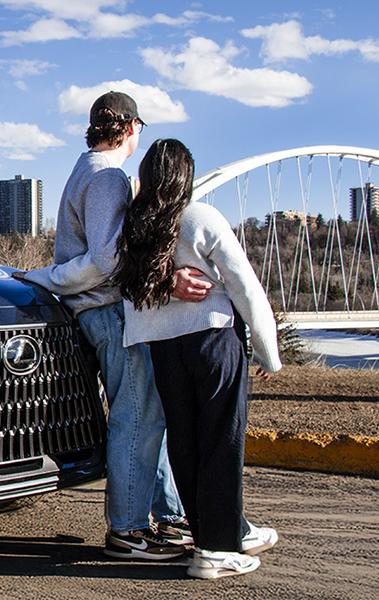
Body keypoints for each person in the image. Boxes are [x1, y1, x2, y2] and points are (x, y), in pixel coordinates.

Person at [20, 91, 200, 560]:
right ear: (133, 127)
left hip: (98, 311)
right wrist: (48, 278)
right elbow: (105, 260)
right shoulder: (108, 177)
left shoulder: (86, 170)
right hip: (109, 312)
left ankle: (168, 517)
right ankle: (128, 530)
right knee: (137, 418)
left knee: (146, 416)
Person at [113, 138, 281, 579]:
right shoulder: (200, 217)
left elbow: (127, 287)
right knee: (223, 442)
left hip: (165, 350)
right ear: (185, 177)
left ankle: (211, 536)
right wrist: (267, 350)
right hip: (213, 342)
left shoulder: (134, 227)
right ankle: (219, 551)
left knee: (184, 445)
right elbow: (244, 284)